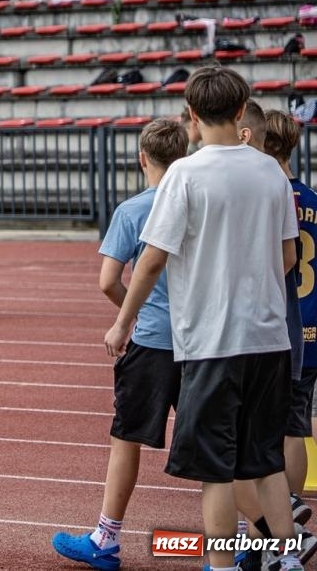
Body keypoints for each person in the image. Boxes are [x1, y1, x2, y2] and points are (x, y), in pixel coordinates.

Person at [103, 68, 301, 571]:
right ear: (242, 113)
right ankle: (288, 558)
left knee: (216, 469)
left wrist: (124, 322)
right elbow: (287, 259)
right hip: (268, 338)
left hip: (213, 341)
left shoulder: (184, 176)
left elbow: (150, 259)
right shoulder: (270, 173)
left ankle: (221, 565)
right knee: (265, 462)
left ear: (191, 117)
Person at [50, 119, 190, 571]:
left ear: (142, 158)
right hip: (206, 340)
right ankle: (236, 546)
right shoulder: (202, 203)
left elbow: (109, 280)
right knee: (216, 441)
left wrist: (132, 313)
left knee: (126, 440)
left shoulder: (133, 211)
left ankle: (106, 538)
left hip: (152, 340)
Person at [262, 110, 317, 533]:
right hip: (313, 320)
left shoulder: (268, 197)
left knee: (266, 425)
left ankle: (282, 514)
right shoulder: (313, 198)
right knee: (297, 421)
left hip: (278, 324)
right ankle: (293, 502)